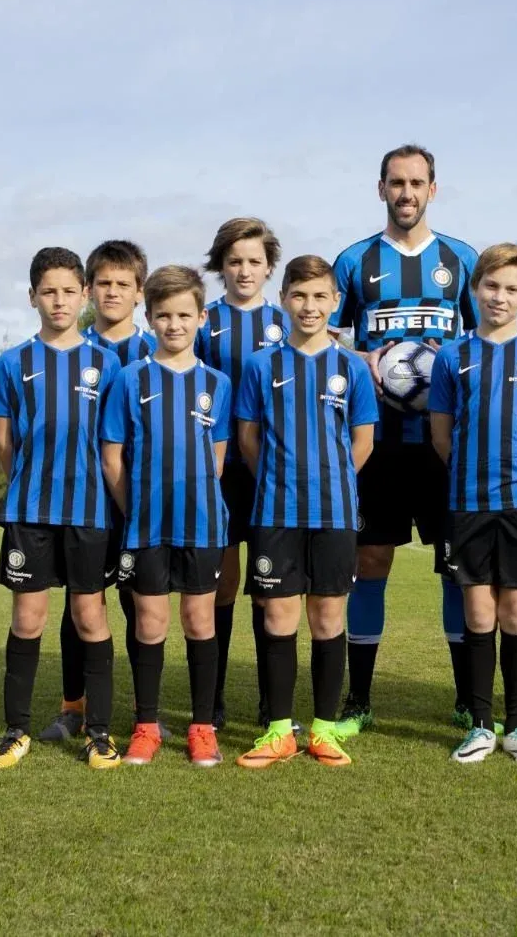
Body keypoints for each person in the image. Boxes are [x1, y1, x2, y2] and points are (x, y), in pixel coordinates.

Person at [330, 145, 480, 738]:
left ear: (433, 190)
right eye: (397, 183)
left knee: (455, 568)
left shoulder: (461, 259)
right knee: (370, 562)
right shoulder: (354, 261)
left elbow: (486, 334)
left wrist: (452, 356)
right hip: (379, 442)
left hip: (445, 445)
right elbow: (327, 334)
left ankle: (467, 700)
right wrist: (361, 357)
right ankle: (358, 699)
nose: (407, 193)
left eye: (417, 183)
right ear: (381, 189)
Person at [235, 256, 377, 768]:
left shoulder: (352, 367)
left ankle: (323, 730)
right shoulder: (260, 366)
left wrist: (331, 481)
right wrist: (281, 480)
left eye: (319, 296)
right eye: (299, 295)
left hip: (335, 514)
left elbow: (363, 440)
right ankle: (278, 730)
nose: (309, 306)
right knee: (278, 616)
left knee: (328, 616)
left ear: (335, 302)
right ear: (283, 300)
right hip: (275, 512)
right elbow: (248, 440)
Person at [429, 243, 517, 765]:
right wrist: (475, 476)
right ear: (474, 289)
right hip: (468, 503)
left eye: (512, 289)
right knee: (478, 611)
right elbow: (442, 435)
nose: (499, 296)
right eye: (491, 285)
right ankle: (481, 725)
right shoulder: (452, 357)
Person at [0, 247, 121, 769]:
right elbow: (4, 443)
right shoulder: (12, 363)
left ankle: (99, 732)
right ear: (32, 297)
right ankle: (15, 731)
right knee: (28, 619)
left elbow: (112, 445)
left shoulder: (106, 363)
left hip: (89, 512)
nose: (58, 301)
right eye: (48, 292)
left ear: (84, 295)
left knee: (89, 616)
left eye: (68, 291)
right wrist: (29, 486)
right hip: (30, 511)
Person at [102, 265, 231, 767]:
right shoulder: (129, 379)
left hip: (202, 524)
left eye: (183, 315)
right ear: (150, 318)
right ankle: (146, 726)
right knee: (150, 623)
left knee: (200, 620)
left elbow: (216, 459)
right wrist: (136, 510)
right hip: (146, 526)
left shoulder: (217, 383)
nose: (173, 324)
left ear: (201, 317)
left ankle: (202, 728)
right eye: (163, 315)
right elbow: (113, 458)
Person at [38, 239, 159, 744]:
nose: (112, 292)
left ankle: (143, 713)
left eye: (123, 284)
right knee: (80, 606)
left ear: (140, 292)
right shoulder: (70, 345)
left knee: (139, 605)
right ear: (89, 289)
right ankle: (74, 706)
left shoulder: (156, 351)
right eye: (104, 283)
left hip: (137, 505)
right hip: (82, 503)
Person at [196, 217, 290, 729]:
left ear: (269, 266)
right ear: (220, 266)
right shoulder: (203, 322)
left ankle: (271, 702)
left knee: (270, 585)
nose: (245, 270)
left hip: (274, 472)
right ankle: (212, 700)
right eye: (235, 261)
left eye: (255, 261)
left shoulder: (286, 322)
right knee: (225, 582)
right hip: (220, 471)